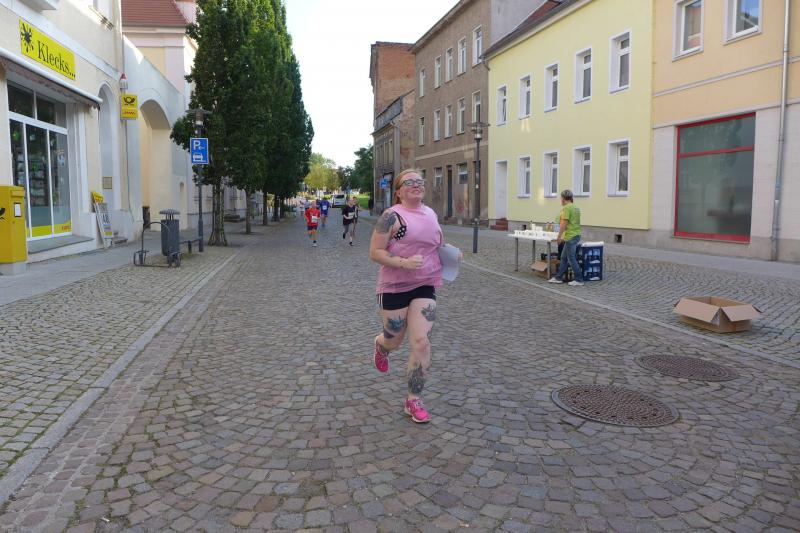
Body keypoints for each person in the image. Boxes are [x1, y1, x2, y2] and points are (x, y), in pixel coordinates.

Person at [369, 169, 461, 424]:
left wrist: (452, 251)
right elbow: (375, 252)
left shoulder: (430, 213)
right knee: (394, 339)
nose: (417, 185)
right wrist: (404, 262)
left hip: (425, 284)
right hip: (394, 286)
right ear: (399, 191)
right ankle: (381, 345)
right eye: (410, 182)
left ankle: (413, 399)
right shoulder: (391, 216)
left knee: (421, 342)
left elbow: (436, 244)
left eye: (420, 181)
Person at [548, 189, 584, 286]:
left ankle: (579, 279)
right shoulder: (576, 207)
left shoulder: (567, 208)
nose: (560, 200)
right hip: (576, 234)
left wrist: (559, 236)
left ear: (564, 198)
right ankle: (558, 277)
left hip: (570, 236)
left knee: (571, 258)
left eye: (561, 198)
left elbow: (564, 224)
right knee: (564, 257)